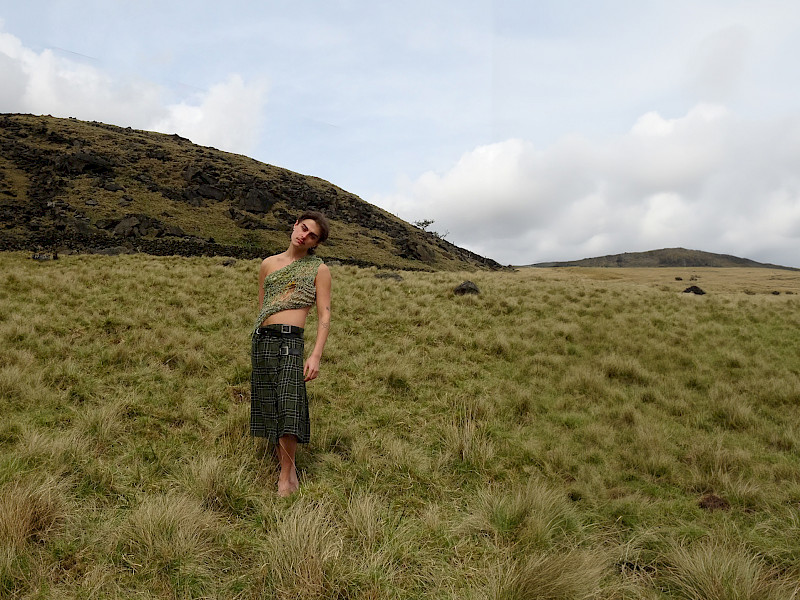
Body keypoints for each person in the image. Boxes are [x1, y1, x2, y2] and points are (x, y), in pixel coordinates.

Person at [250, 211, 331, 496]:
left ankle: (287, 474)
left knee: (289, 402)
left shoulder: (318, 269)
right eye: (304, 228)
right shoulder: (268, 265)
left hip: (290, 342)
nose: (304, 236)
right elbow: (263, 306)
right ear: (295, 224)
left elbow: (324, 314)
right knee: (270, 402)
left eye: (312, 236)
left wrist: (316, 355)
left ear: (315, 244)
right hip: (263, 341)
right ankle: (283, 458)